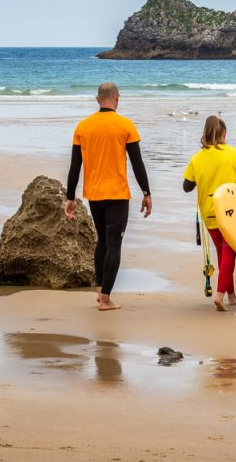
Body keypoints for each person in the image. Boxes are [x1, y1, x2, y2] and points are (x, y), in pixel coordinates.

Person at [65, 82, 153, 311]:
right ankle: (105, 299)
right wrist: (146, 192)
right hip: (116, 194)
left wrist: (70, 197)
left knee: (102, 242)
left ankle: (100, 289)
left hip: (94, 195)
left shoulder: (83, 127)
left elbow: (75, 166)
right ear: (117, 98)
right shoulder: (125, 126)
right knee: (114, 244)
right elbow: (137, 163)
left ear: (97, 100)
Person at [183, 115, 236, 312]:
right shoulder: (234, 154)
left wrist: (202, 176)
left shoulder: (197, 158)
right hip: (231, 214)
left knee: (223, 254)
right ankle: (220, 295)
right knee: (229, 253)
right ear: (224, 134)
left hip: (209, 214)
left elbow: (187, 187)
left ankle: (231, 295)